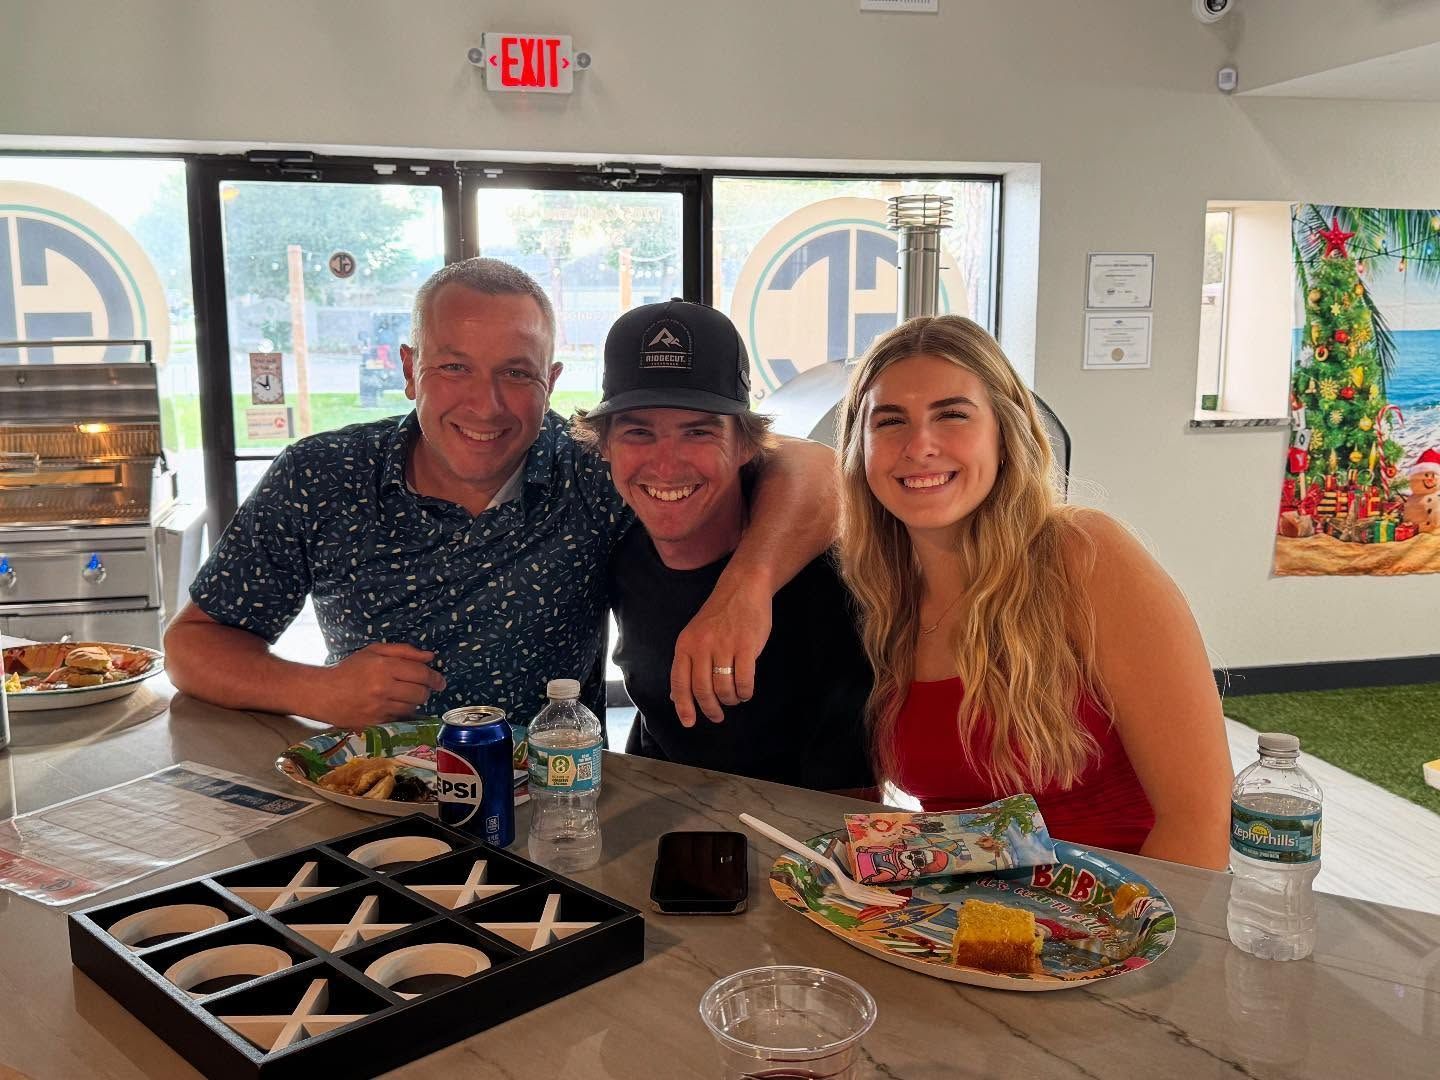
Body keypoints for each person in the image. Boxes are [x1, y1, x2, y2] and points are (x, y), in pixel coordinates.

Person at [165, 259, 838, 731]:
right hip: (370, 797)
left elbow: (814, 467)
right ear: (409, 369)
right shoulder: (323, 476)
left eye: (515, 373)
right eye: (454, 366)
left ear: (550, 379)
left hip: (558, 803)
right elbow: (191, 646)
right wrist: (317, 690)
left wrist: (745, 587)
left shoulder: (595, 468)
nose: (485, 406)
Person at [835, 315, 1231, 869]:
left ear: (1006, 429)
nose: (920, 445)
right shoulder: (878, 596)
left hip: (1120, 920)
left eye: (951, 415)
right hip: (966, 924)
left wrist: (1123, 948)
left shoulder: (1083, 554)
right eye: (890, 421)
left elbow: (1200, 818)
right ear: (859, 449)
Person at [572, 300, 874, 794]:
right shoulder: (617, 544)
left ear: (747, 445)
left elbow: (850, 799)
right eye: (639, 432)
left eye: (698, 432)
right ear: (603, 445)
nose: (665, 464)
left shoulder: (826, 585)